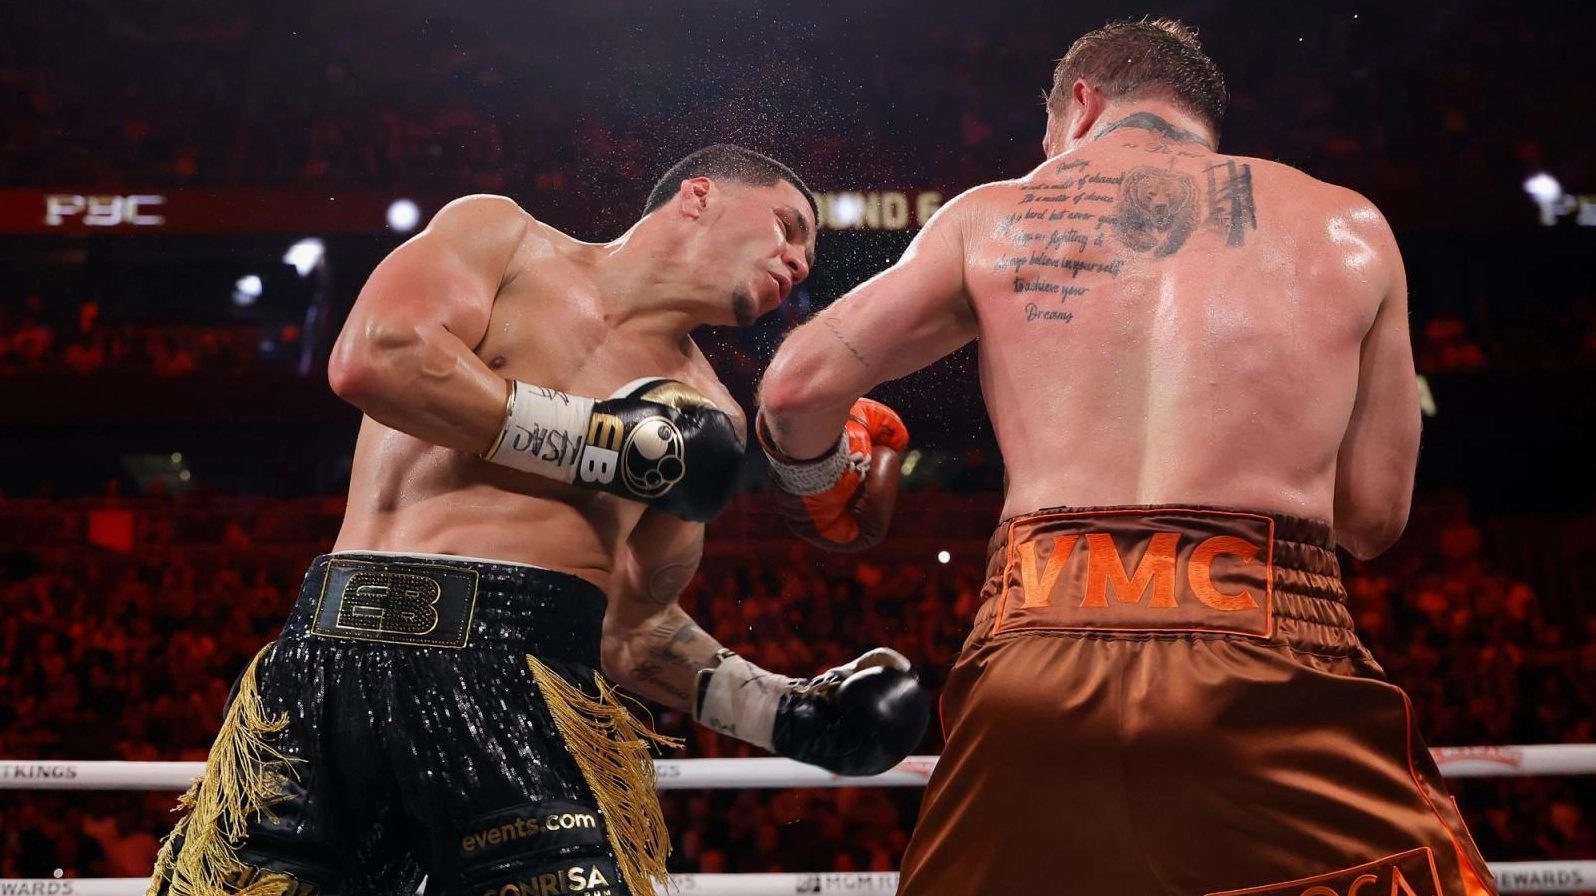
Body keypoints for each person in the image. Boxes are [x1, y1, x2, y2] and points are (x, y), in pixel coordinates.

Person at [757, 19, 1496, 896]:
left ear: (1081, 104)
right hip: (1266, 639)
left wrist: (820, 479)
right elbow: (1374, 519)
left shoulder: (995, 214)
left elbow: (796, 391)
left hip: (1035, 642)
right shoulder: (1349, 225)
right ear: (1202, 117)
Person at [148, 144, 928, 896]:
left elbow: (634, 628)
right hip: (319, 671)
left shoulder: (704, 416)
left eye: (809, 254)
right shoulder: (503, 240)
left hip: (517, 683)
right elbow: (377, 357)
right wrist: (606, 445)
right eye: (788, 226)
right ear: (699, 197)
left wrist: (783, 713)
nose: (799, 262)